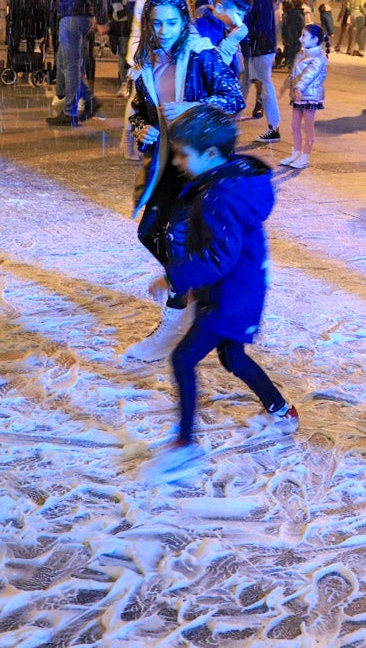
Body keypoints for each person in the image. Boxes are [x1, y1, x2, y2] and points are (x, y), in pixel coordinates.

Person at [144, 105, 297, 479]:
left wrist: (175, 277)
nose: (178, 162)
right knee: (232, 357)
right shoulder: (229, 184)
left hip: (229, 298)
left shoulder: (218, 197)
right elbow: (226, 253)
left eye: (184, 154)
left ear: (211, 155)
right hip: (241, 291)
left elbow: (219, 256)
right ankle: (281, 409)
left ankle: (185, 444)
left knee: (182, 359)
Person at [125, 0, 247, 363]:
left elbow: (233, 99)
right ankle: (196, 288)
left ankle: (175, 316)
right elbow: (140, 112)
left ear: (184, 21)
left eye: (172, 22)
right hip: (165, 164)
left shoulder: (201, 55)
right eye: (157, 22)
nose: (164, 30)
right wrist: (141, 129)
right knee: (149, 232)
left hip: (198, 166)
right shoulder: (144, 60)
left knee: (176, 238)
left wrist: (192, 108)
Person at [46, 0, 103, 126]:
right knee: (63, 63)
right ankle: (88, 99)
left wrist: (101, 18)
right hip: (68, 15)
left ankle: (70, 112)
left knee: (69, 65)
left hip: (73, 15)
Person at [236, 0, 282, 143]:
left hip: (258, 46)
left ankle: (274, 127)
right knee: (243, 84)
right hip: (256, 45)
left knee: (264, 85)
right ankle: (231, 124)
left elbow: (257, 21)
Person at [281, 24, 328, 169]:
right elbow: (295, 73)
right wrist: (287, 85)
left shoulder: (319, 57)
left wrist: (299, 87)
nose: (300, 38)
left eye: (304, 36)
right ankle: (296, 152)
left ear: (314, 40)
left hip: (310, 96)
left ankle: (305, 156)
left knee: (308, 127)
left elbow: (310, 75)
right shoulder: (302, 54)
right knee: (294, 125)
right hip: (298, 95)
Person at [195, 0, 251, 68]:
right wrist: (232, 41)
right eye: (238, 15)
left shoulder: (226, 30)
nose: (240, 21)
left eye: (243, 15)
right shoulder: (201, 30)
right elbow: (213, 70)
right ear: (219, 8)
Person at [278, 0, 306, 70]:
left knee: (290, 49)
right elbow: (302, 25)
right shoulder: (300, 14)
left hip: (290, 34)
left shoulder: (289, 13)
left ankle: (289, 63)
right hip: (297, 35)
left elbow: (285, 24)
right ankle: (292, 64)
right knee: (295, 50)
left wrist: (284, 34)